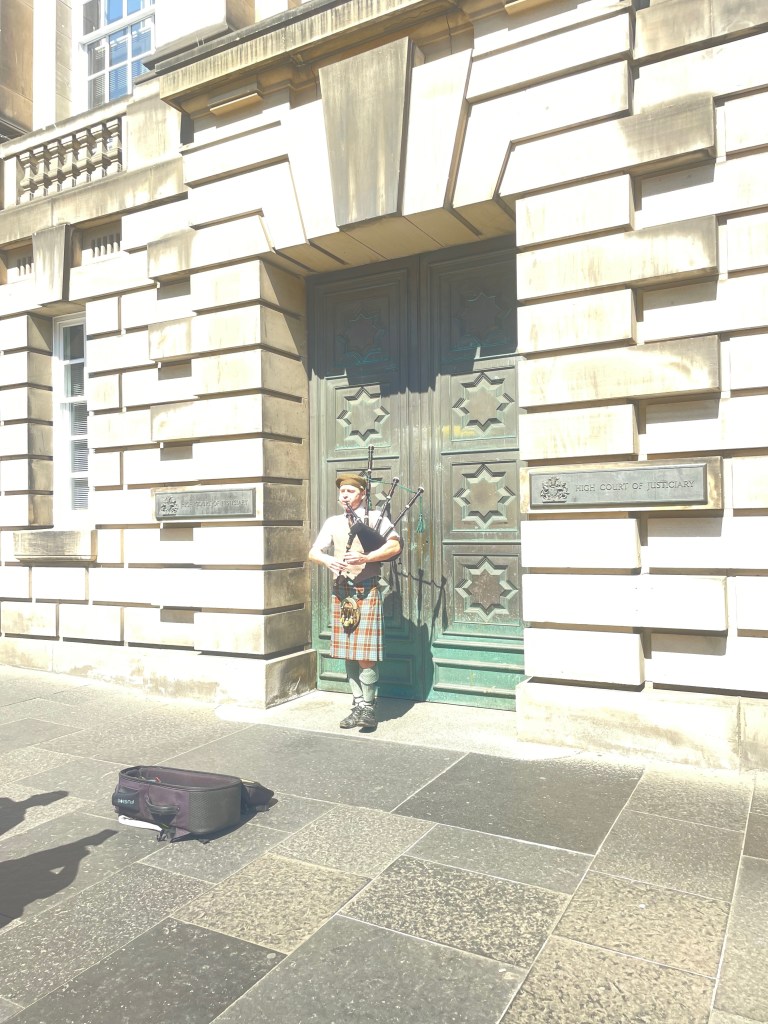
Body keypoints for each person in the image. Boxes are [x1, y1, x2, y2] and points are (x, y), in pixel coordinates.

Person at [309, 472, 402, 732]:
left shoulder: (376, 518)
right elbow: (313, 551)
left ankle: (369, 708)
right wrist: (327, 560)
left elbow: (395, 546)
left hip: (367, 588)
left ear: (362, 494)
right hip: (341, 590)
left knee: (365, 655)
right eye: (342, 492)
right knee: (348, 651)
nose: (345, 495)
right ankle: (358, 704)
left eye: (350, 491)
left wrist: (367, 558)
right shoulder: (333, 522)